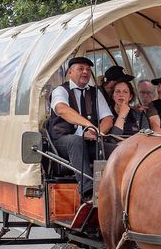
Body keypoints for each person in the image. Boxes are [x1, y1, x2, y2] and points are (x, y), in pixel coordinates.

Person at [47, 56, 114, 199]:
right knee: (75, 141)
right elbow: (61, 109)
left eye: (88, 69)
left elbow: (108, 118)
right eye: (81, 69)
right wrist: (88, 126)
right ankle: (88, 191)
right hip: (62, 141)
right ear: (70, 72)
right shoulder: (60, 90)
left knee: (117, 150)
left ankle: (118, 189)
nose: (85, 72)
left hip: (89, 141)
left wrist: (98, 132)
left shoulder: (95, 92)